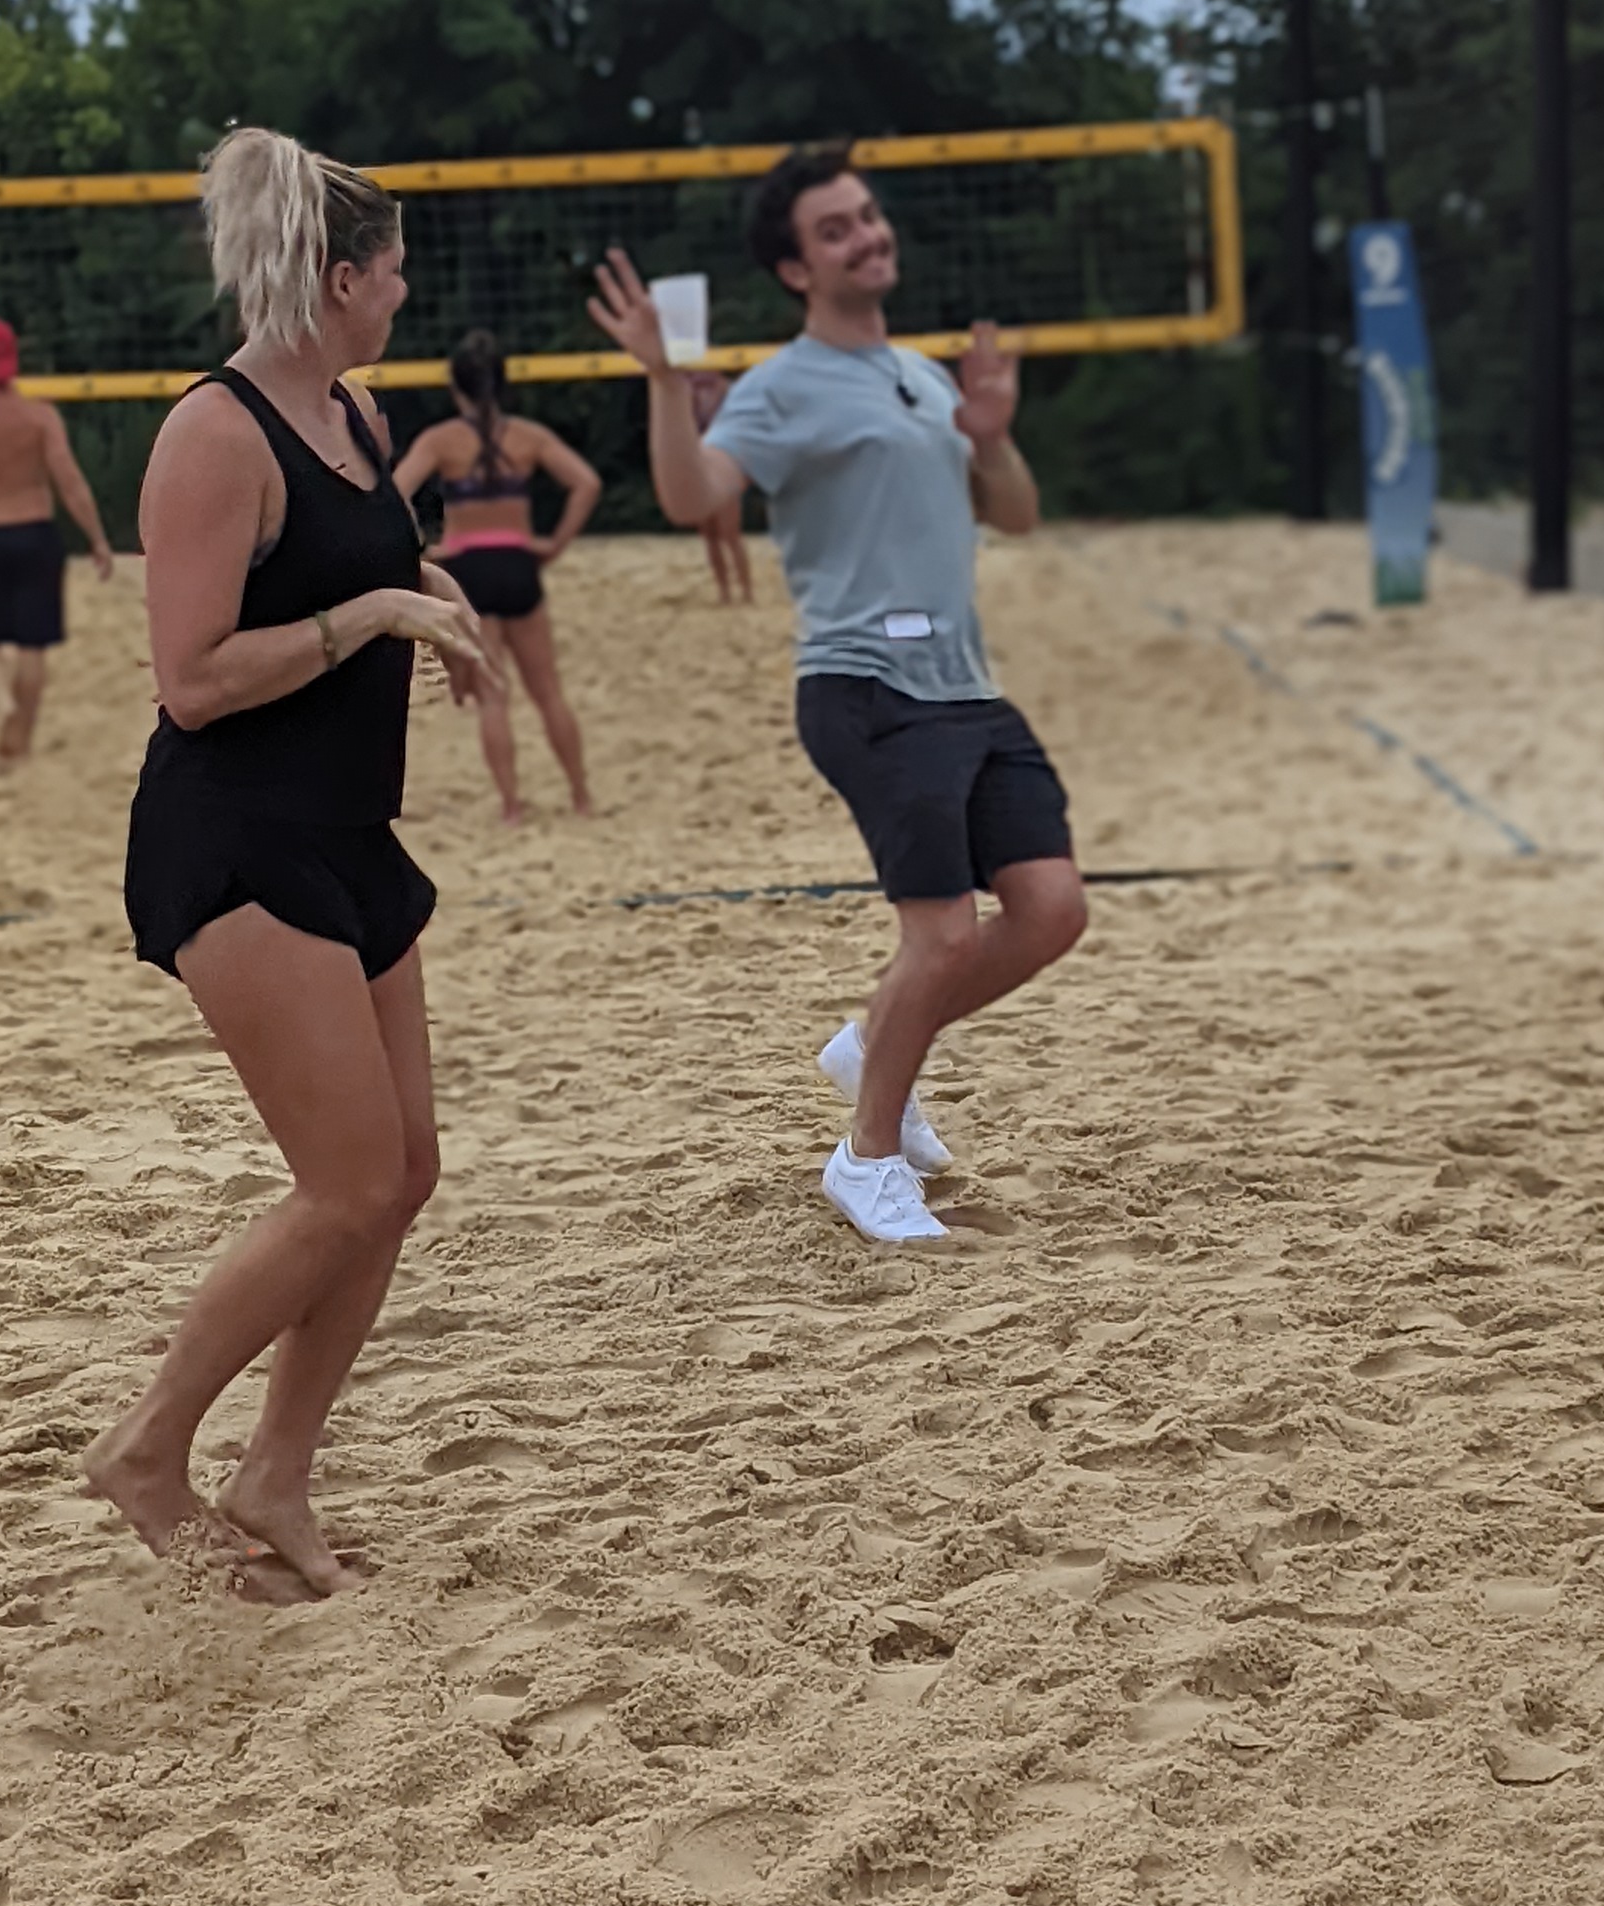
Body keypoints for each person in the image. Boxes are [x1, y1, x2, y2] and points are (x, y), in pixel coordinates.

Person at [84, 131, 488, 1598]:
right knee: (346, 1182)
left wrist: (428, 591)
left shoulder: (355, 411)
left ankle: (275, 1475)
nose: (405, 295)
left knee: (405, 1172)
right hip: (235, 832)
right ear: (339, 277)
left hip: (348, 827)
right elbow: (191, 681)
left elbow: (350, 557)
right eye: (393, 273)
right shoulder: (216, 432)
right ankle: (146, 1449)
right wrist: (375, 615)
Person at [587, 141, 1088, 1248]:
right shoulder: (781, 387)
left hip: (964, 683)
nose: (867, 235)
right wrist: (664, 381)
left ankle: (875, 1043)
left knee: (1054, 907)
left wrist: (992, 440)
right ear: (795, 270)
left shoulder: (923, 372)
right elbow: (691, 496)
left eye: (866, 215)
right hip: (866, 683)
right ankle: (865, 1159)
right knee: (941, 937)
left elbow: (1014, 513)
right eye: (836, 229)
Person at [389, 328, 601, 821]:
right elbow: (586, 483)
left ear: (455, 387)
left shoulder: (442, 440)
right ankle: (580, 797)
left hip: (469, 569)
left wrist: (423, 549)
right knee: (548, 692)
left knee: (492, 696)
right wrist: (556, 543)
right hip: (517, 561)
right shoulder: (527, 436)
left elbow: (394, 493)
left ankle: (511, 806)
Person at [0, 316, 115, 764]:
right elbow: (70, 481)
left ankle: (4, 705)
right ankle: (21, 742)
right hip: (36, 533)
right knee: (34, 645)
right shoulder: (39, 416)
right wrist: (97, 538)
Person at [688, 370, 754, 604]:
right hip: (699, 460)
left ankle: (746, 591)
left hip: (723, 460)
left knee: (729, 533)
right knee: (709, 534)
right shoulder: (686, 390)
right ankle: (725, 591)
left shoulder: (727, 390)